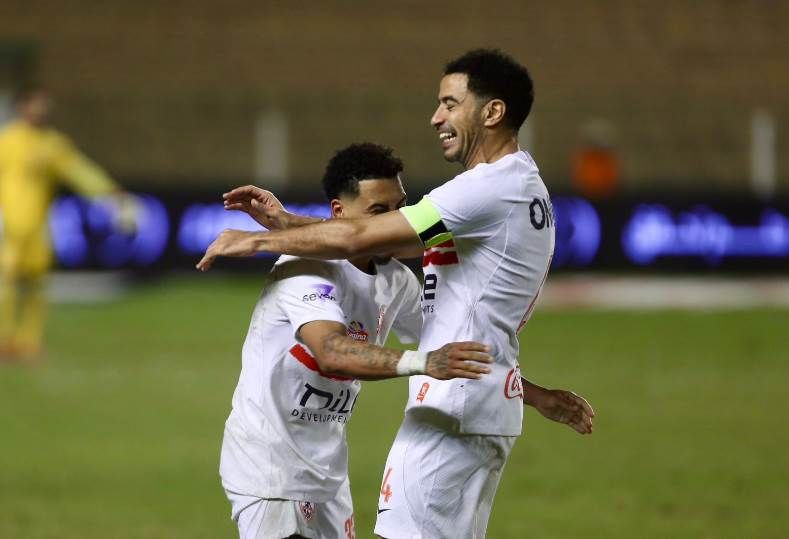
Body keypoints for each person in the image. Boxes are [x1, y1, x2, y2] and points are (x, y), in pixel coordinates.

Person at [200, 49, 595, 538]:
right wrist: (287, 223)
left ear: (492, 112)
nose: (436, 118)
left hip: (453, 411)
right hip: (471, 406)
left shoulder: (486, 189)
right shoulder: (520, 187)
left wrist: (259, 239)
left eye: (450, 104)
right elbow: (376, 241)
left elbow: (361, 237)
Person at [218, 142, 493, 539]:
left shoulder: (397, 280)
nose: (394, 220)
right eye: (379, 211)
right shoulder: (304, 268)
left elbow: (454, 349)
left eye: (400, 208)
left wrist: (532, 394)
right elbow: (331, 352)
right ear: (339, 213)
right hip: (268, 468)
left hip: (327, 472)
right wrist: (423, 362)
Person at [0, 86, 134, 361]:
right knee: (7, 281)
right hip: (9, 224)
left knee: (36, 283)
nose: (40, 109)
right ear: (22, 107)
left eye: (43, 104)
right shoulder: (8, 141)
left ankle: (28, 343)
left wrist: (107, 189)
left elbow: (78, 170)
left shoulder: (52, 144)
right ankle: (5, 340)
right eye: (34, 104)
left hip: (37, 226)